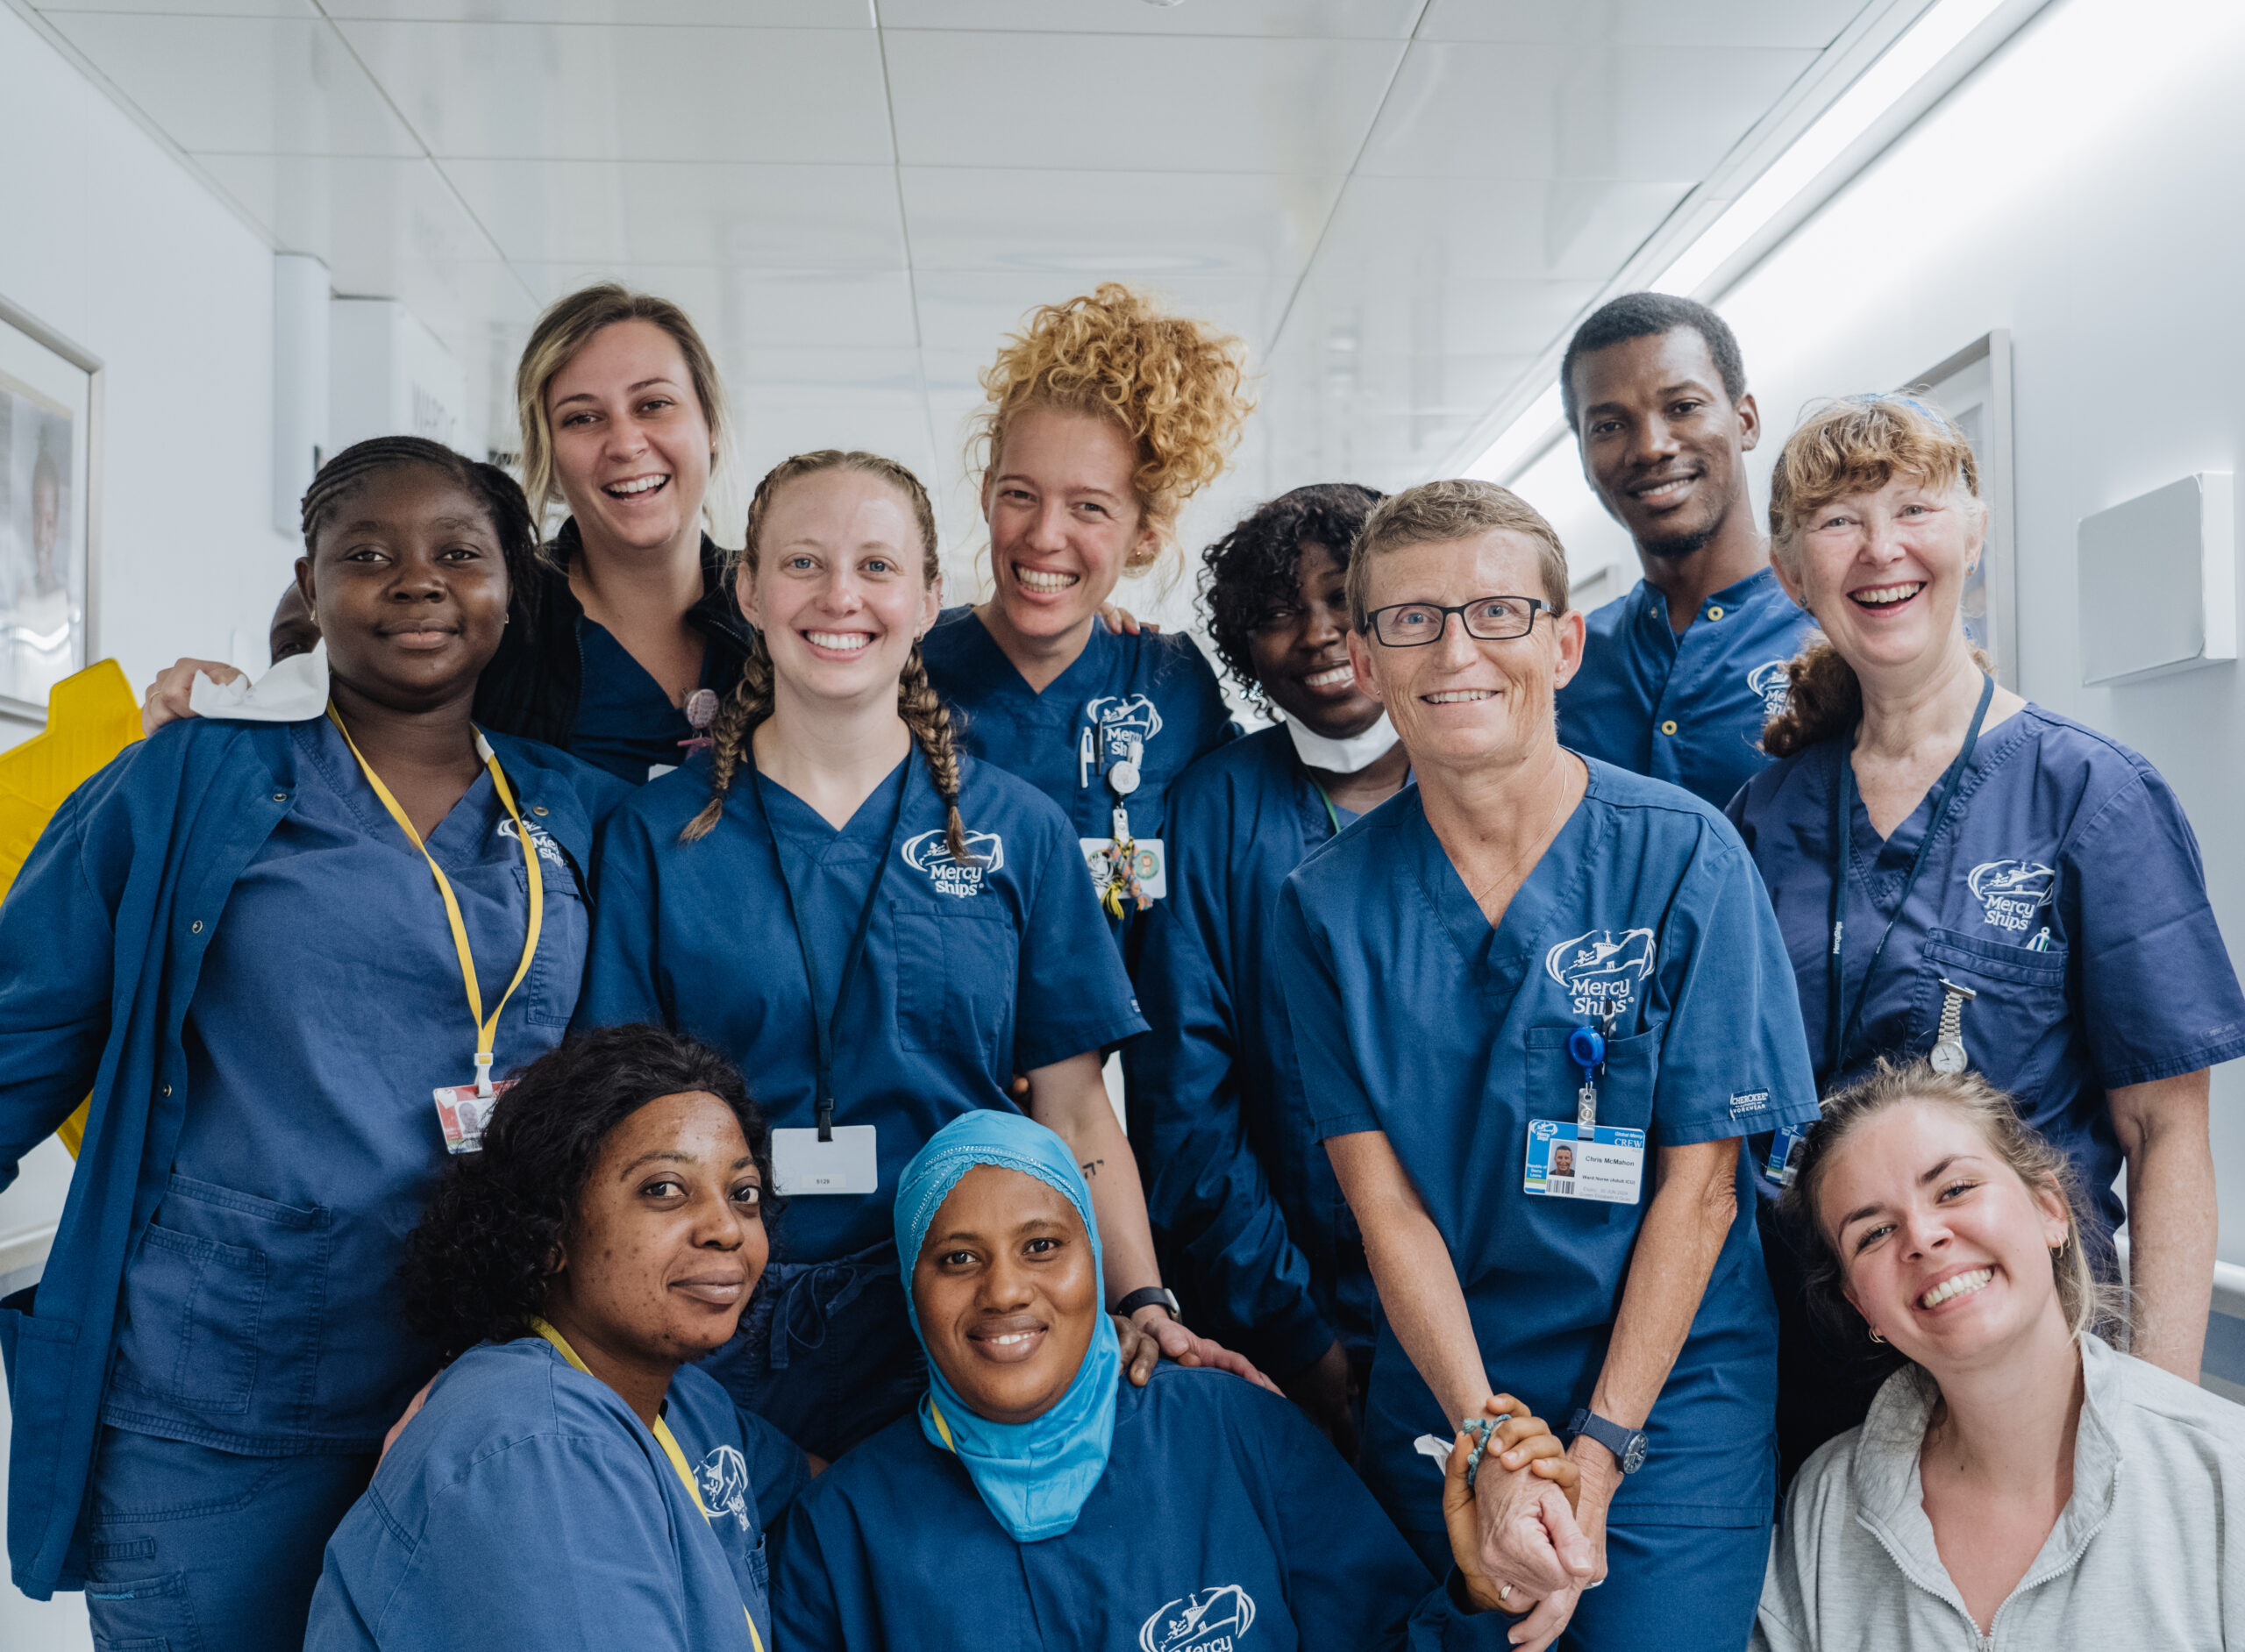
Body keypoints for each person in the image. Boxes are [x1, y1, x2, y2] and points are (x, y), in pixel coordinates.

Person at [0, 438, 631, 1643]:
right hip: (218, 1407)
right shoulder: (193, 776)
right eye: (369, 554)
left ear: (512, 587)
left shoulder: (573, 815)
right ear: (310, 578)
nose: (417, 580)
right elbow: (18, 1027)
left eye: (459, 553)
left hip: (480, 1391)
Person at [579, 449, 1241, 1463]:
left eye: (878, 567)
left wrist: (1140, 1296)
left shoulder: (1014, 832)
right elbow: (620, 1125)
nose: (840, 597)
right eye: (802, 564)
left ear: (931, 598)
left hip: (967, 1312)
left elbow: (1071, 1103)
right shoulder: (656, 837)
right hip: (721, 1318)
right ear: (748, 589)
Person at [1272, 479, 1821, 1649]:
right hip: (1453, 1378)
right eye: (1411, 619)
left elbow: (1703, 1188)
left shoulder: (1685, 859)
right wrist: (1486, 1442)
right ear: (1366, 662)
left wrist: (1599, 1453)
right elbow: (1390, 1214)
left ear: (1564, 644)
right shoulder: (1322, 910)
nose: (1455, 648)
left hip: (1669, 1403)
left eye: (1498, 613)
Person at [1728, 394, 2245, 1483]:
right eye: (1835, 522)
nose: (1880, 550)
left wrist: (2149, 1422)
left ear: (1972, 533)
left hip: (2030, 1362)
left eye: (1913, 508)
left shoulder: (2089, 796)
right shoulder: (1758, 819)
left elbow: (2165, 1135)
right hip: (1804, 1362)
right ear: (1788, 573)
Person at [773, 1110, 1594, 1651]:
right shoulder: (841, 1532)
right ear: (912, 1297)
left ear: (1096, 1265)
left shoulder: (1238, 1433)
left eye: (1042, 1247)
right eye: (957, 1259)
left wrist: (1484, 1597)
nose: (1005, 1290)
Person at [307, 1024, 807, 1651]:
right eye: (663, 1190)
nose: (726, 1229)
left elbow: (854, 1493)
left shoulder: (691, 1408)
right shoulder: (536, 1447)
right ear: (548, 1234)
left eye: (744, 1194)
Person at [140, 285, 755, 784]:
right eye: (582, 418)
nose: (624, 443)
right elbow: (326, 707)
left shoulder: (779, 611)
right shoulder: (488, 607)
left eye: (654, 405)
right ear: (549, 455)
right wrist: (230, 699)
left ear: (711, 427)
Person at [1753, 1058, 2245, 1650]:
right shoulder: (1823, 1508)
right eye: (1874, 1233)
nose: (1924, 1237)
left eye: (1955, 1189)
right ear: (1863, 1307)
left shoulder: (2224, 1475)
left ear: (2050, 1211)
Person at [1127, 482, 1404, 1449]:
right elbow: (1185, 1105)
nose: (1321, 635)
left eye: (1346, 600)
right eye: (1281, 614)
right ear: (1245, 649)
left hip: (1489, 1318)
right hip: (1278, 1330)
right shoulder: (1215, 809)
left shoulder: (1483, 782)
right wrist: (1301, 1342)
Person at [919, 284, 1250, 955]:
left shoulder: (1170, 688)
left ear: (1146, 534)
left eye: (1090, 508)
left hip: (1118, 1057)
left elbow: (1222, 893)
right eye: (1020, 495)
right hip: (931, 1053)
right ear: (986, 494)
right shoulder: (909, 668)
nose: (1044, 536)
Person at [1554, 294, 1814, 809]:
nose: (1651, 446)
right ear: (1584, 460)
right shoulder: (1567, 666)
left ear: (1746, 421)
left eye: (1683, 407)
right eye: (1609, 425)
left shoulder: (1840, 627)